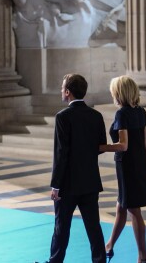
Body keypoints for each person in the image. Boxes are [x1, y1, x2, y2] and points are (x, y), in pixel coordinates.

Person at [42, 74, 107, 263]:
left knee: (62, 227)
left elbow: (61, 153)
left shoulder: (63, 117)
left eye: (63, 88)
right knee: (94, 227)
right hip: (90, 181)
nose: (61, 91)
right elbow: (100, 146)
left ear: (68, 92)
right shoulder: (96, 116)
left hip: (68, 184)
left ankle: (55, 261)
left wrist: (56, 185)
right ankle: (100, 261)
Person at [99, 76, 146, 263]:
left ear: (119, 92)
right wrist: (143, 166)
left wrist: (98, 147)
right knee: (121, 206)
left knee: (133, 210)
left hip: (127, 166)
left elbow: (123, 145)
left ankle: (143, 256)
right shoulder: (141, 112)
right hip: (139, 164)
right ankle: (109, 245)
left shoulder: (122, 114)